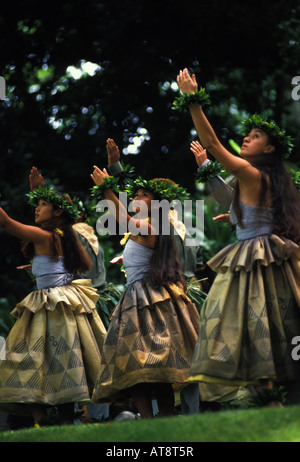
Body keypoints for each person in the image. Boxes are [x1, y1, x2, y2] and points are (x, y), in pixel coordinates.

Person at [175, 68, 300, 406]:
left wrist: (192, 99)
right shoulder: (256, 179)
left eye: (255, 135)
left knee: (259, 324)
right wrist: (205, 169)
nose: (247, 138)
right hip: (259, 253)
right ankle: (270, 399)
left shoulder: (252, 172)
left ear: (270, 148)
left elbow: (214, 143)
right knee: (264, 327)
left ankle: (271, 398)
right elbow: (232, 202)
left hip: (256, 257)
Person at [90, 145, 200, 418]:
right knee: (136, 368)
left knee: (155, 365)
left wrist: (107, 190)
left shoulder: (151, 226)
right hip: (135, 299)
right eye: (135, 194)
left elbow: (125, 218)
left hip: (148, 301)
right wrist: (116, 172)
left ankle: (161, 419)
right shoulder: (146, 226)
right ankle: (149, 421)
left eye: (144, 195)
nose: (137, 197)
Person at [0, 187, 106, 426]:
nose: (36, 208)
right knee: (60, 362)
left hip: (53, 304)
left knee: (36, 360)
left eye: (42, 204)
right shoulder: (60, 234)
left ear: (57, 211)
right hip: (60, 300)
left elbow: (5, 222)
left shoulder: (46, 236)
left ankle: (45, 420)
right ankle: (55, 420)